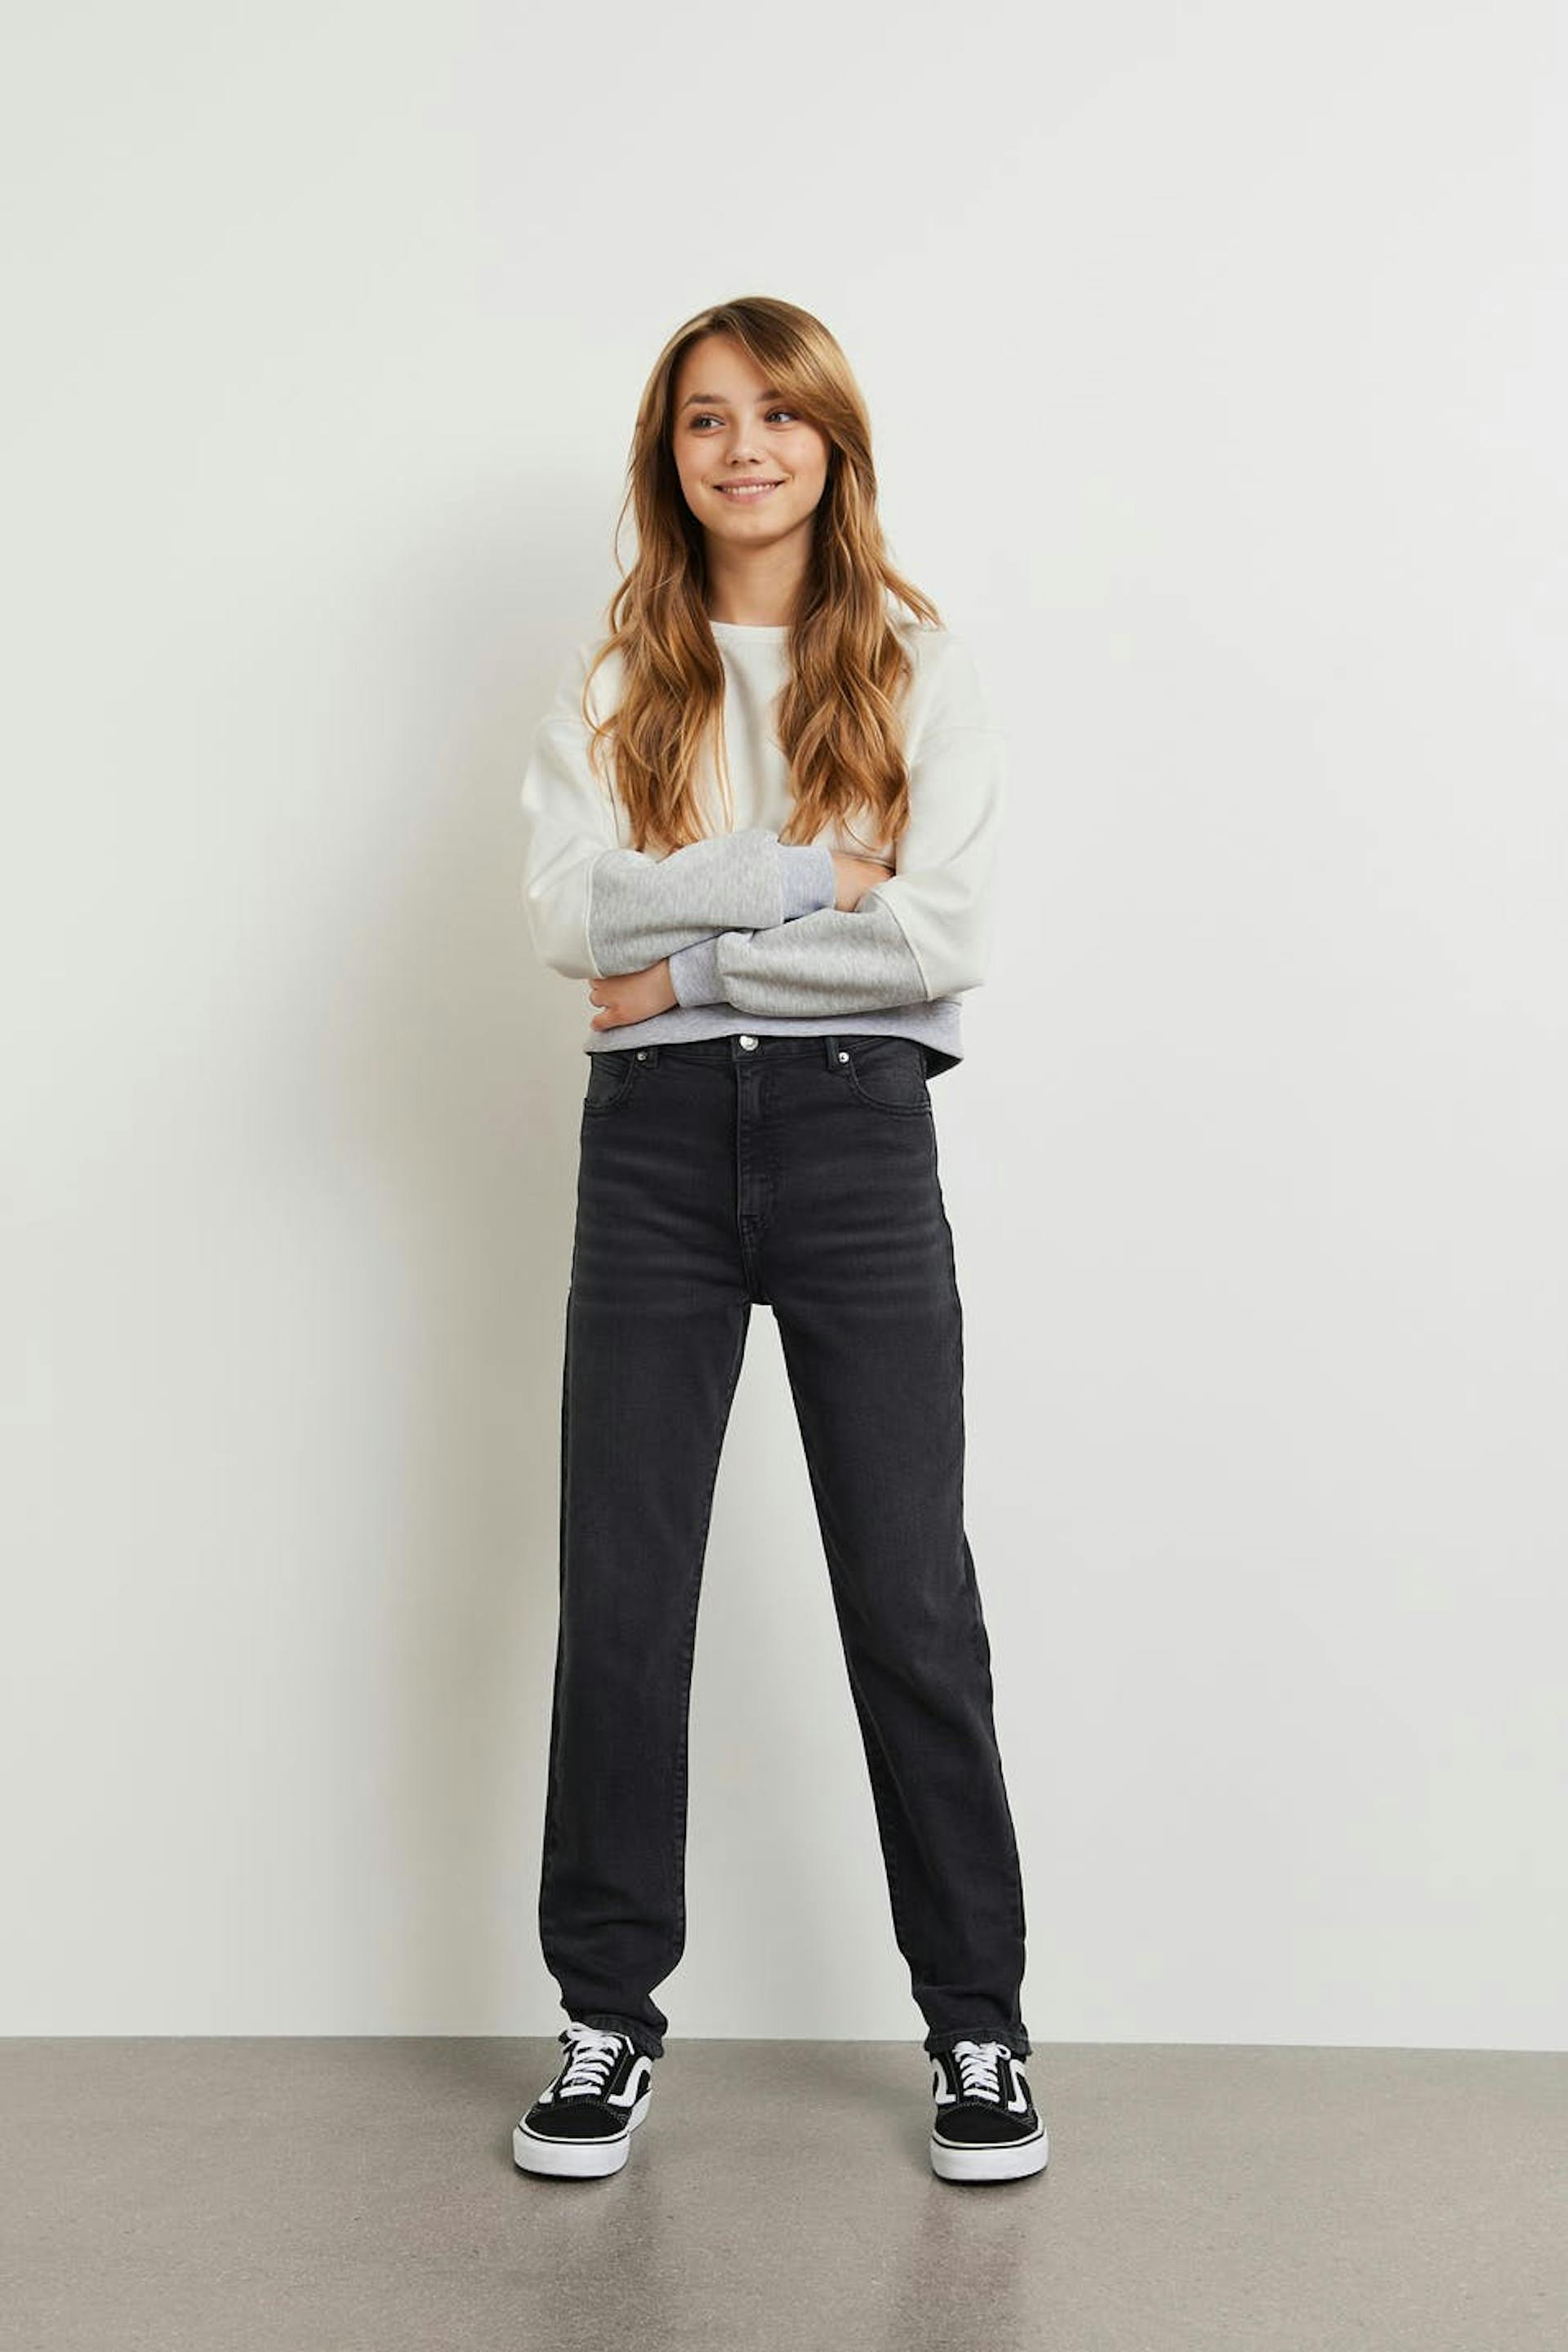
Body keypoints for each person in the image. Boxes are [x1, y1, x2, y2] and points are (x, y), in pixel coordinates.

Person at [510, 296, 1046, 2187]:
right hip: (653, 1156)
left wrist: (687, 965)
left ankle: (978, 2026)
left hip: (854, 1138)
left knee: (908, 1592)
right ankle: (604, 2019)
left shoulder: (915, 664)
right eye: (705, 419)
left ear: (833, 441)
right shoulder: (616, 674)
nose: (743, 448)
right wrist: (818, 875)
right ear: (669, 456)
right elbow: (570, 920)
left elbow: (940, 941)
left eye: (776, 415)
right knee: (624, 1593)